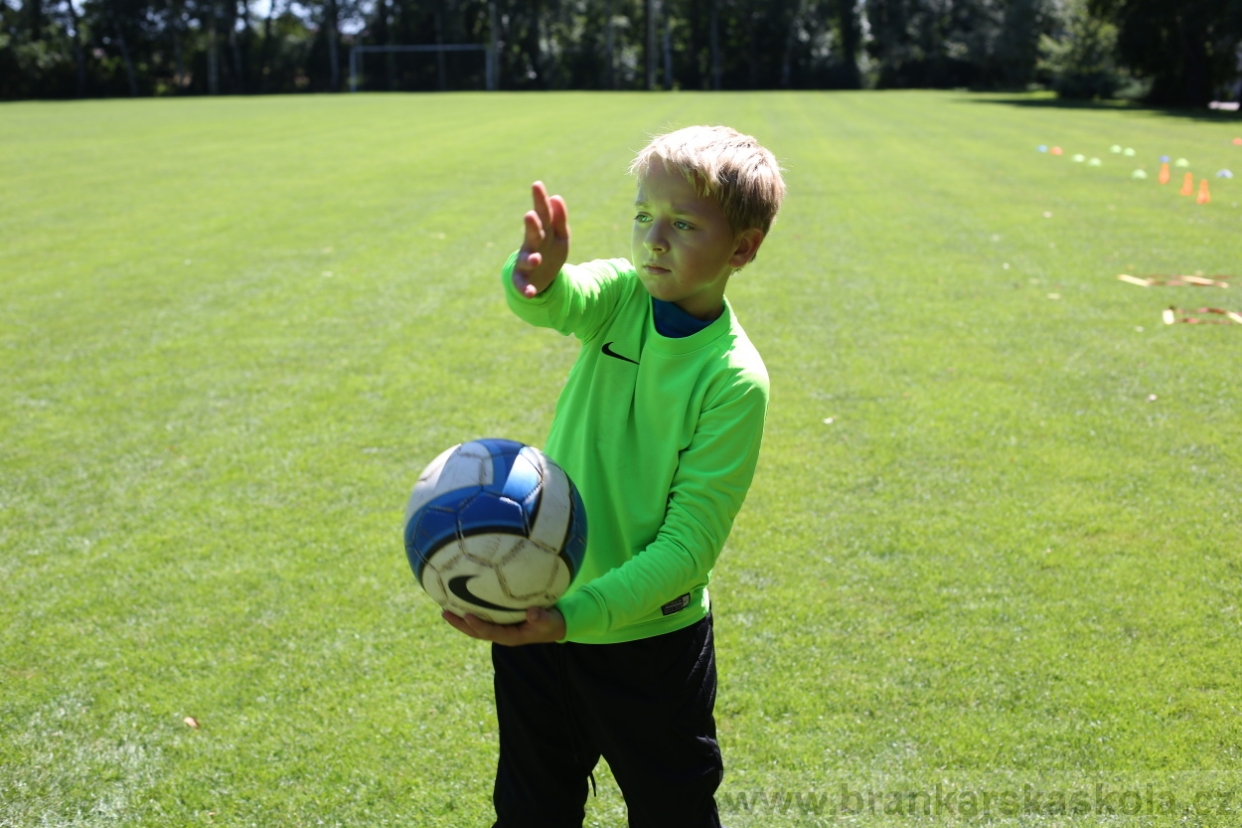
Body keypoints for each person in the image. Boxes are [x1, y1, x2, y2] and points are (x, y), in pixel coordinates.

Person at [442, 125, 786, 828]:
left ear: (742, 249)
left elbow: (686, 550)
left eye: (684, 223)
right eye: (643, 215)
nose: (654, 238)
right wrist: (532, 276)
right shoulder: (624, 297)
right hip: (538, 611)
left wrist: (570, 619)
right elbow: (559, 298)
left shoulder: (732, 379)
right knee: (532, 807)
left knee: (672, 812)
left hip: (646, 645)